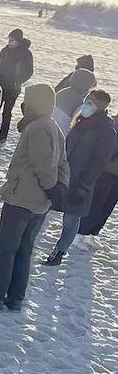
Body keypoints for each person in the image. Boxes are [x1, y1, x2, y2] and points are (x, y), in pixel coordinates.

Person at [0, 84, 68, 312]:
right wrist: (59, 188)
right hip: (40, 203)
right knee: (25, 250)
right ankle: (16, 298)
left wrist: (51, 186)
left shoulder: (37, 128)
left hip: (22, 198)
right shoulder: (54, 127)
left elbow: (42, 165)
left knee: (6, 249)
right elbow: (64, 163)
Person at [44, 89, 116, 265]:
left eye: (90, 102)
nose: (85, 104)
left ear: (100, 106)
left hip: (80, 180)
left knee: (71, 219)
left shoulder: (106, 130)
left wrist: (85, 186)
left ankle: (59, 252)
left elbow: (100, 162)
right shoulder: (81, 121)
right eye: (86, 100)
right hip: (63, 174)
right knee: (43, 208)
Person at [78, 112, 118, 248]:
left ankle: (92, 234)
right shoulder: (114, 122)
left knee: (107, 207)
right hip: (107, 171)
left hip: (115, 174)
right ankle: (80, 234)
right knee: (96, 204)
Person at [0, 29, 34, 143]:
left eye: (13, 40)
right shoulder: (4, 51)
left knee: (7, 112)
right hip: (0, 85)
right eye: (9, 40)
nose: (10, 42)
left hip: (13, 88)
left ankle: (2, 137)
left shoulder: (26, 53)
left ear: (19, 41)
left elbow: (29, 71)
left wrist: (18, 80)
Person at [52, 68, 96, 134]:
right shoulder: (81, 103)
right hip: (63, 135)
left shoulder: (61, 92)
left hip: (51, 128)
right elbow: (81, 124)